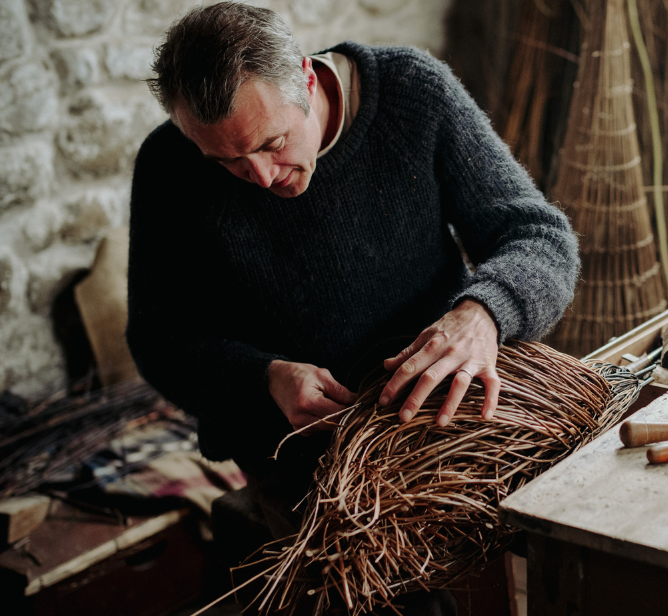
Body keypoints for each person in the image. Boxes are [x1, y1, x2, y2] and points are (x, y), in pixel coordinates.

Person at [125, 0, 579, 599]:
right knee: (377, 591)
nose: (260, 177)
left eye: (273, 142)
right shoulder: (169, 166)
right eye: (227, 162)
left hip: (441, 411)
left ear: (308, 81)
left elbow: (539, 237)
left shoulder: (412, 93)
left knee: (553, 552)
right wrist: (262, 378)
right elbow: (160, 338)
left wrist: (482, 314)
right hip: (296, 446)